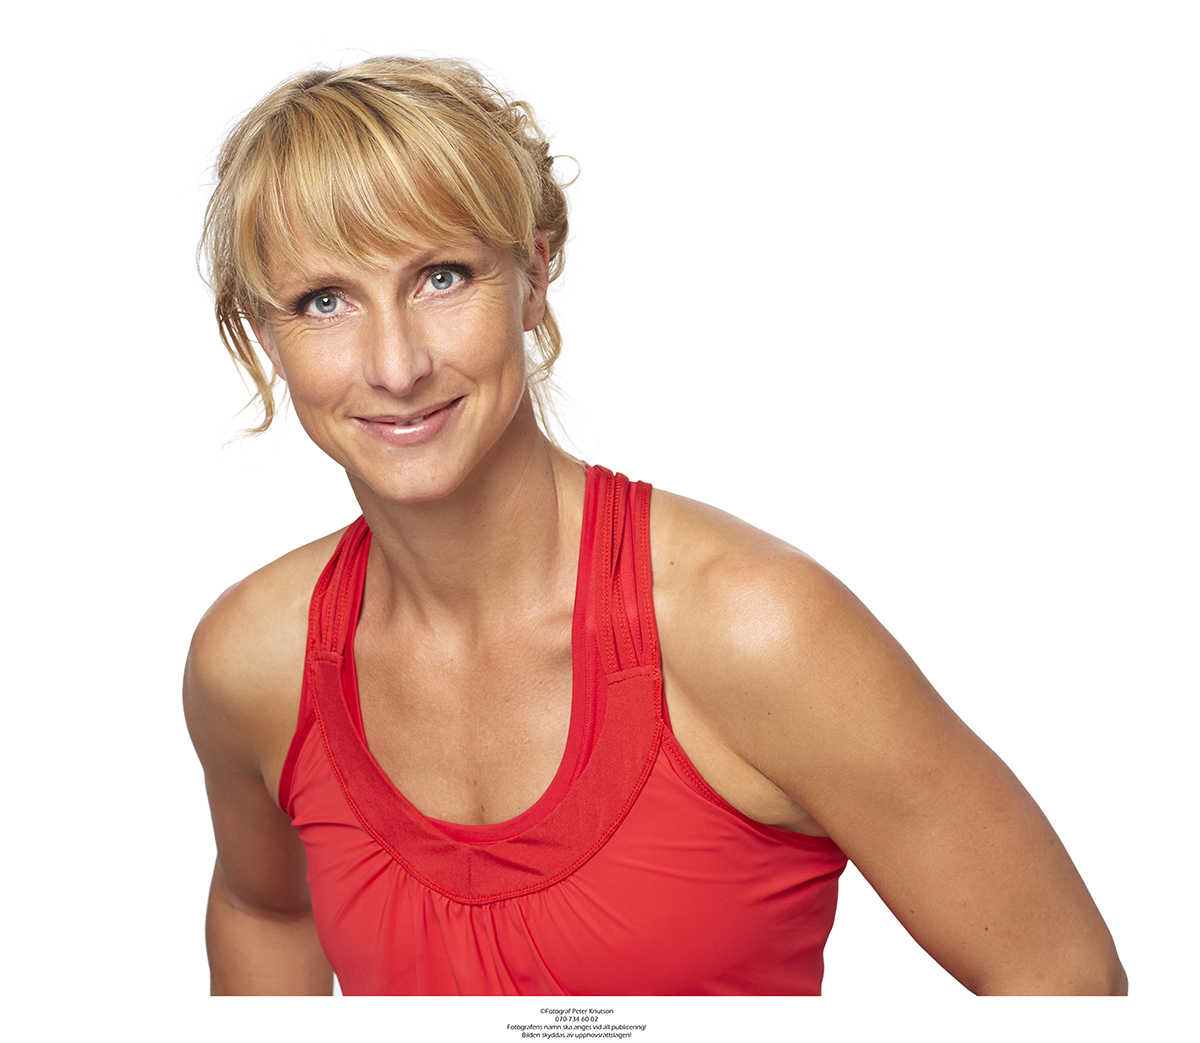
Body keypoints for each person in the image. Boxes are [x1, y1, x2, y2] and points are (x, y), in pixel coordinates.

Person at [184, 55, 1126, 996]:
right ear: (263, 333)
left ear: (532, 278)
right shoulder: (256, 661)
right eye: (324, 301)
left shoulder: (751, 627)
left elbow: (1063, 982)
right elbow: (267, 909)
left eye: (442, 276)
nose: (395, 365)